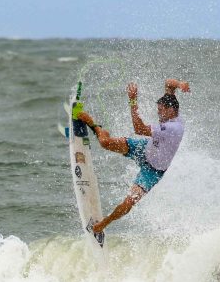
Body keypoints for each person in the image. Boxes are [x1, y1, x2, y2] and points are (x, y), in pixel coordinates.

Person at [78, 78, 190, 233]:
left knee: (129, 201)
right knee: (104, 142)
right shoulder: (171, 106)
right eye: (158, 110)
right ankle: (96, 127)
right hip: (144, 149)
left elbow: (139, 128)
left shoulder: (173, 128)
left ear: (171, 110)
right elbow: (169, 84)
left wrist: (133, 101)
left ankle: (104, 223)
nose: (159, 114)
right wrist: (179, 84)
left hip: (153, 171)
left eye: (161, 111)